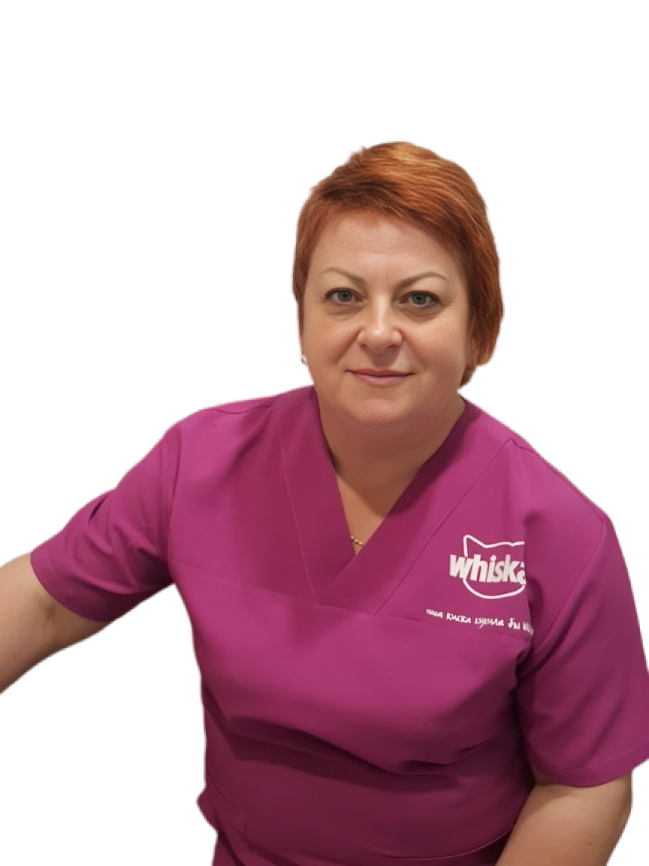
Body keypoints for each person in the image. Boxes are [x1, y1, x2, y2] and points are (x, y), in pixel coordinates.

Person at [2, 140, 648, 865]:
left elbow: (584, 786)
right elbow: (43, 601)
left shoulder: (562, 531)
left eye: (420, 299)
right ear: (301, 326)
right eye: (343, 296)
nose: (378, 333)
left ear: (480, 333)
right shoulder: (200, 460)